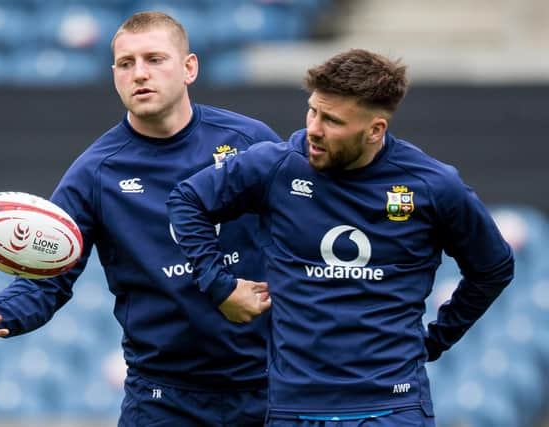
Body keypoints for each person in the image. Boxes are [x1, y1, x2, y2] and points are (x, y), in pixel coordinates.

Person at [0, 11, 281, 427]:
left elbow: (300, 232)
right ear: (114, 75)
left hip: (268, 388)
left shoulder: (249, 142)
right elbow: (49, 276)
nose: (139, 74)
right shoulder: (96, 171)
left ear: (189, 68)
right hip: (163, 399)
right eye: (126, 64)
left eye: (154, 59)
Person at [167, 48, 515, 426]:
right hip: (293, 408)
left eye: (332, 120)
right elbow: (186, 200)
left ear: (375, 130)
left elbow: (493, 267)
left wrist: (436, 339)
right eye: (313, 110)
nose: (314, 129)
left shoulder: (432, 185)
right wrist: (219, 285)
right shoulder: (277, 166)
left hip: (392, 408)